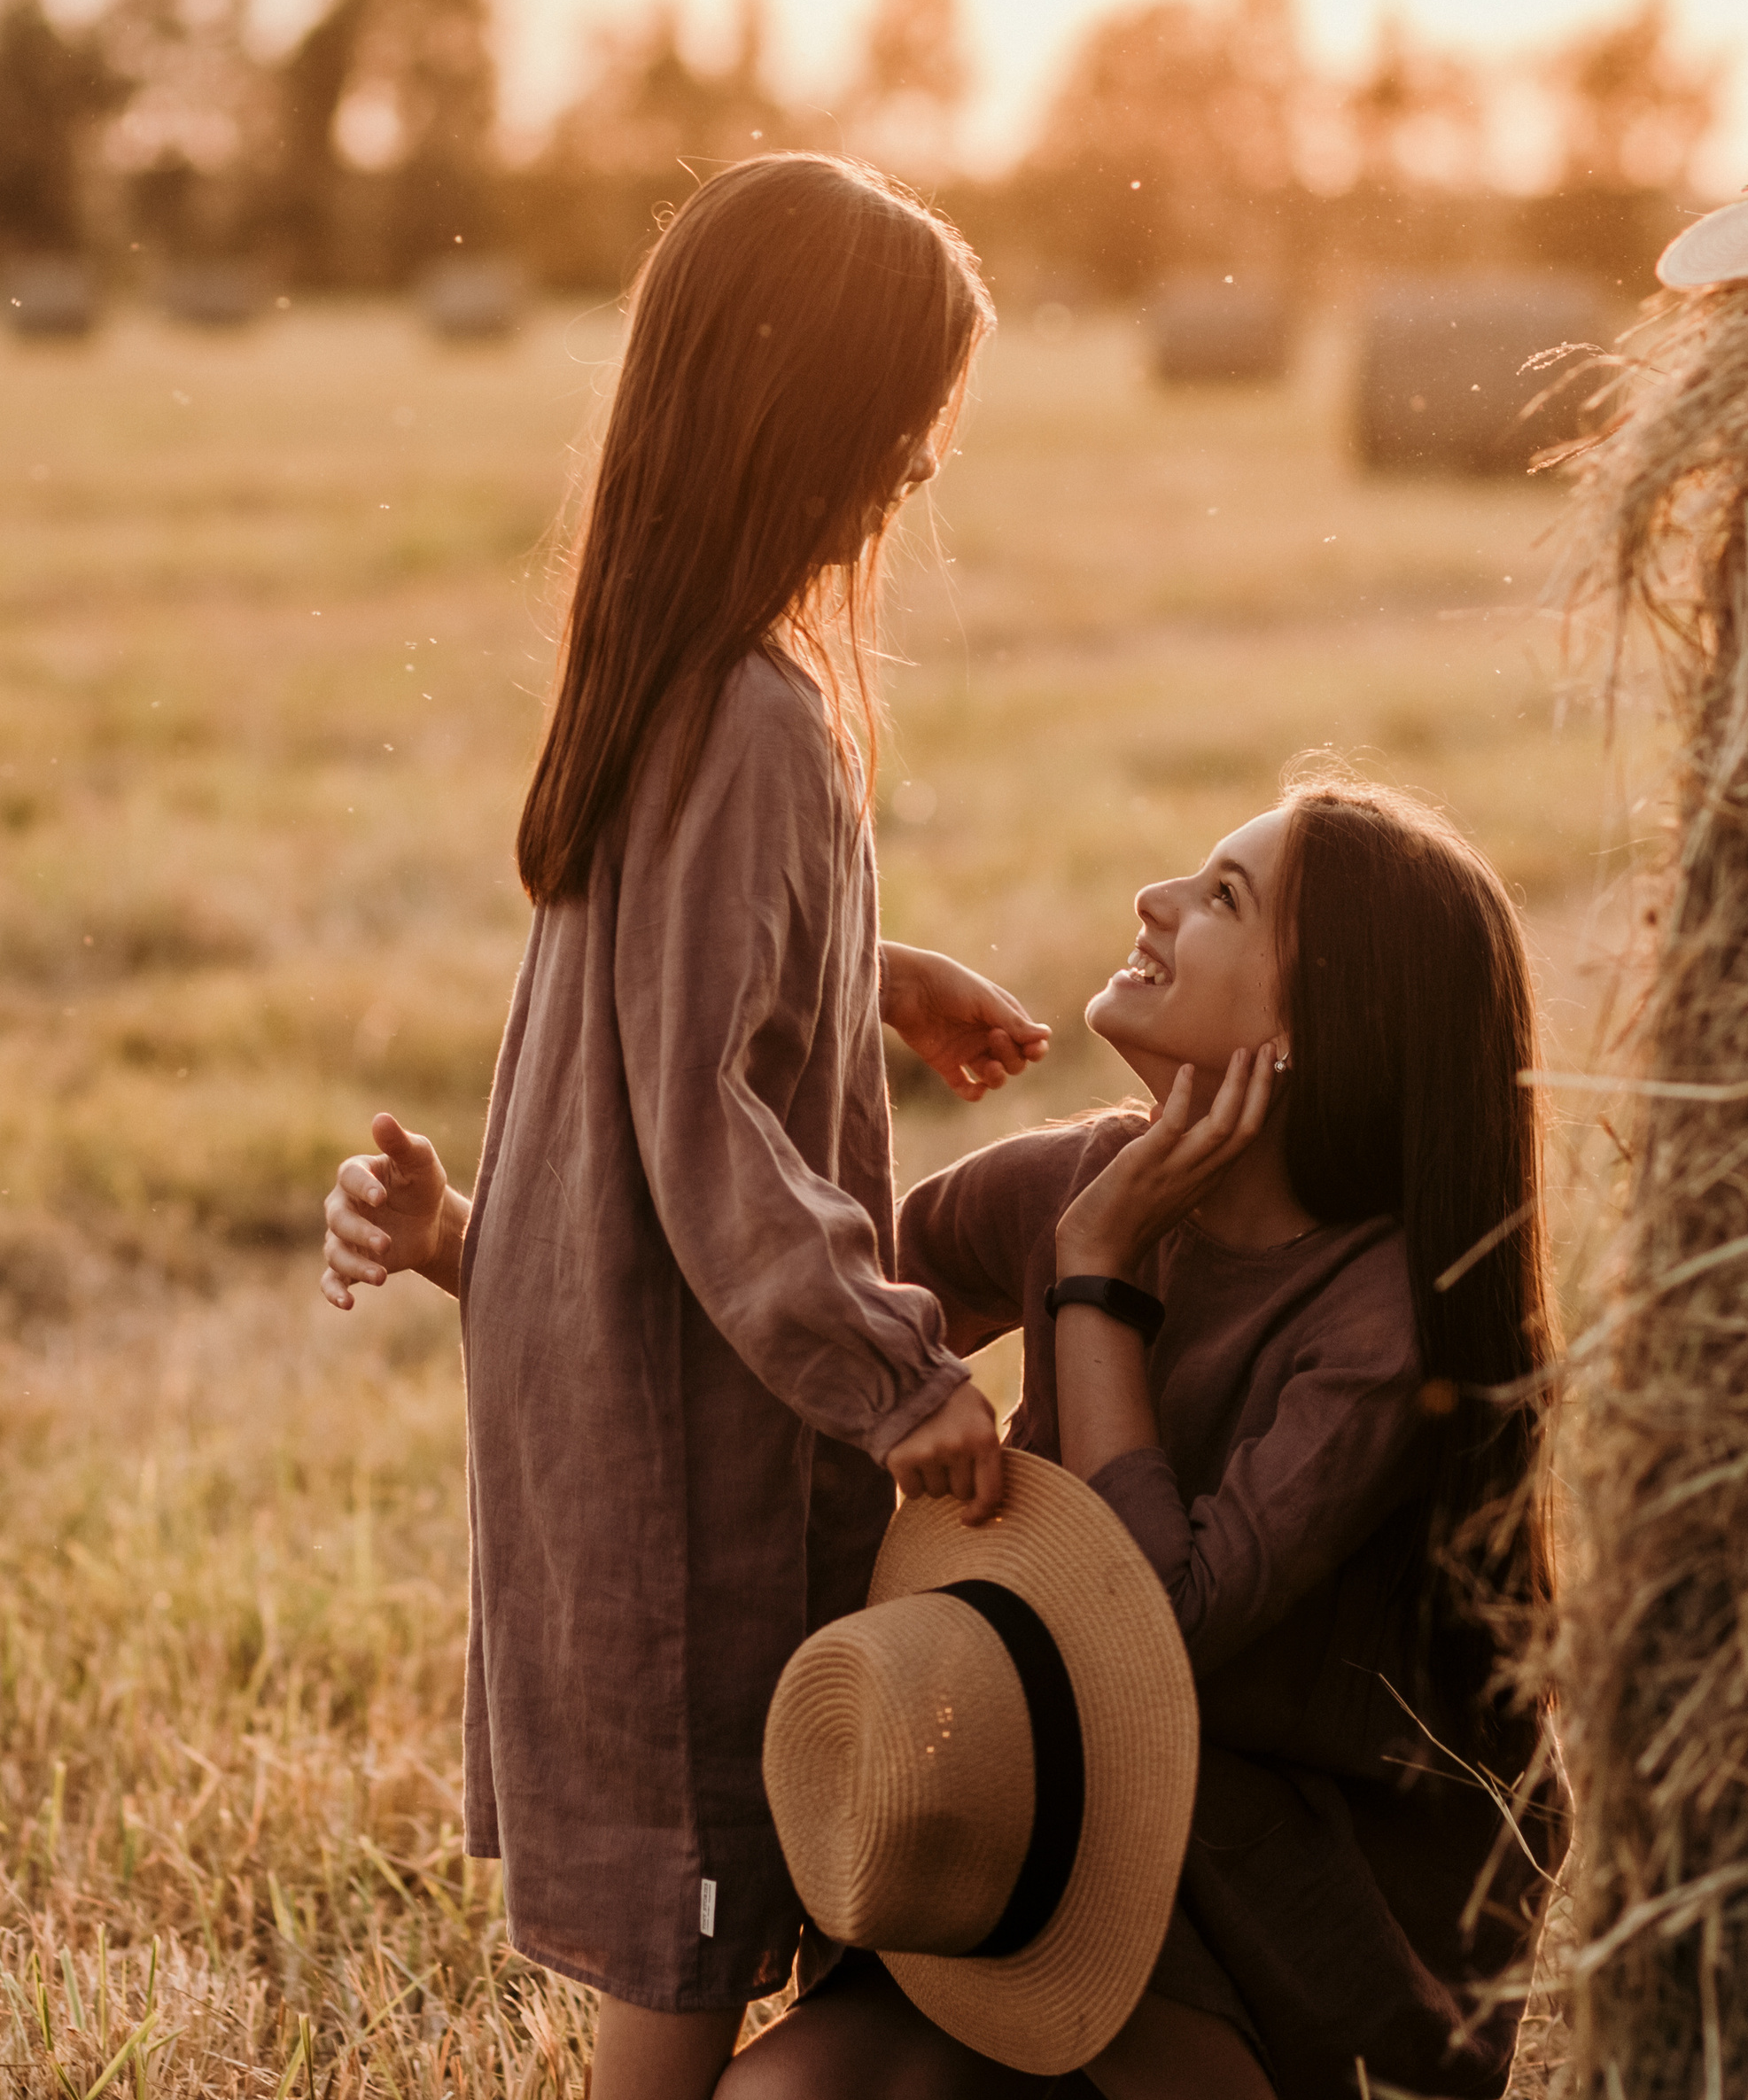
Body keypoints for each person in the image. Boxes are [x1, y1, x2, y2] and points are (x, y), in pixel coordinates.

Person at [315, 153, 1052, 2100]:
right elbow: (707, 1126)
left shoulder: (658, 695)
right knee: (697, 1913)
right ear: (797, 430)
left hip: (586, 1399)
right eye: (894, 440)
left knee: (693, 1880)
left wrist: (878, 973)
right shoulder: (759, 724)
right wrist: (903, 1377)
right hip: (676, 1456)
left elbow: (671, 1010)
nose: (908, 479)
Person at [724, 773, 1565, 2100]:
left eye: (1222, 896)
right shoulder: (1074, 1178)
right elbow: (787, 1300)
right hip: (1045, 1809)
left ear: (1321, 1024)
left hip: (1280, 1871)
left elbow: (1158, 1627)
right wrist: (846, 993)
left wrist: (1100, 1272)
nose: (1153, 901)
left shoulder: (1381, 1324)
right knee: (781, 2096)